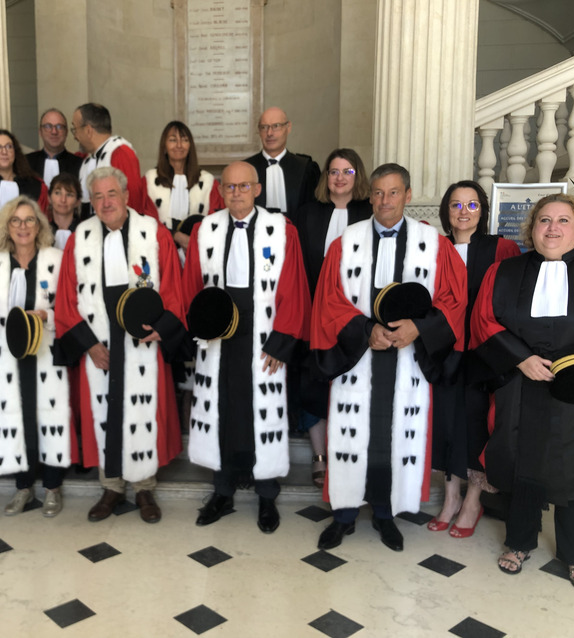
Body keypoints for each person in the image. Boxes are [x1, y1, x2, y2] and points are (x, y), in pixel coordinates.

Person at [311, 163, 466, 552]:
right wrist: (367, 332)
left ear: (408, 196)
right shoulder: (346, 243)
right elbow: (330, 301)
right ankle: (343, 515)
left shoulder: (434, 244)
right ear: (370, 197)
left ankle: (385, 514)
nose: (384, 201)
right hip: (359, 358)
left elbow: (453, 300)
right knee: (352, 432)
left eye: (393, 192)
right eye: (378, 193)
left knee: (395, 435)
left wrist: (419, 328)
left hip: (409, 361)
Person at [471, 194, 574, 590]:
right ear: (531, 227)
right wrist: (519, 359)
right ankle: (519, 542)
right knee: (525, 462)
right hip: (525, 385)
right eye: (544, 220)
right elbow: (484, 320)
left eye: (563, 221)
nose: (553, 228)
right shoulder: (505, 271)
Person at [183, 161, 311, 534]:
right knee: (222, 412)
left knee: (262, 414)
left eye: (243, 186)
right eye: (229, 187)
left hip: (264, 338)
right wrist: (200, 329)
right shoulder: (205, 231)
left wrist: (281, 343)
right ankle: (222, 491)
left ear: (257, 190)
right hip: (219, 340)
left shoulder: (281, 230)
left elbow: (294, 287)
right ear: (220, 192)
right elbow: (193, 286)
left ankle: (267, 495)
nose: (236, 192)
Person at [54, 167, 185, 524]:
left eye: (111, 194)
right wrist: (88, 345)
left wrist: (163, 329)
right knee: (104, 414)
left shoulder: (152, 234)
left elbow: (174, 287)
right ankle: (111, 486)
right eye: (97, 196)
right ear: (90, 202)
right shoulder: (80, 238)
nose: (105, 202)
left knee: (142, 412)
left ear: (126, 196)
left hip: (142, 344)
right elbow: (66, 301)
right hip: (100, 343)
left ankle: (144, 486)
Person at [428, 181, 519, 537]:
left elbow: (511, 302)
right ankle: (451, 497)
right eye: (455, 205)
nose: (463, 213)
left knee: (478, 425)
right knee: (447, 423)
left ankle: (473, 501)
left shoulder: (502, 248)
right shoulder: (434, 249)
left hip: (484, 355)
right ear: (445, 211)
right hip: (445, 352)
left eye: (471, 205)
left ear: (482, 210)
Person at [0, 195, 77, 517]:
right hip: (6, 355)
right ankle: (23, 487)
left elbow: (69, 302)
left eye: (29, 220)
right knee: (15, 419)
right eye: (16, 220)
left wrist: (47, 315)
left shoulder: (56, 259)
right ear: (6, 227)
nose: (23, 227)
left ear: (39, 226)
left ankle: (52, 488)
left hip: (45, 351)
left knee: (48, 417)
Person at [294, 148, 373, 488]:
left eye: (348, 171)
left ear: (359, 177)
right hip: (314, 312)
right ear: (326, 178)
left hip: (354, 317)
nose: (340, 177)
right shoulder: (307, 214)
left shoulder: (370, 212)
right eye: (334, 171)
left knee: (351, 385)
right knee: (313, 384)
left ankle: (349, 455)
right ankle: (319, 457)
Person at [143, 121, 224, 251]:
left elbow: (216, 220)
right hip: (162, 250)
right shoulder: (150, 180)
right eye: (173, 140)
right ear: (164, 145)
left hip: (197, 251)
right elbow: (146, 220)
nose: (179, 145)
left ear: (190, 145)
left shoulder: (207, 182)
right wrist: (175, 236)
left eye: (184, 140)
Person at [244, 107, 320, 222]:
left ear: (288, 127)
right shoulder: (245, 169)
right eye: (264, 127)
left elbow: (314, 214)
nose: (269, 133)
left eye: (276, 126)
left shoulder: (306, 168)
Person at [71, 103, 148, 216]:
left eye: (75, 129)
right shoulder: (89, 157)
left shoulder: (121, 154)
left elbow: (132, 201)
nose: (75, 136)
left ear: (88, 130)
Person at [26, 108, 83, 188]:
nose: (54, 132)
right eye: (48, 126)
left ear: (66, 132)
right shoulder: (26, 163)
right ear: (40, 132)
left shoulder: (80, 165)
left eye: (59, 127)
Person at [48, 173, 82, 250]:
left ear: (78, 201)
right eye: (58, 193)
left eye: (69, 195)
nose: (63, 200)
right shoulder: (40, 231)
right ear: (49, 198)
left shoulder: (84, 231)